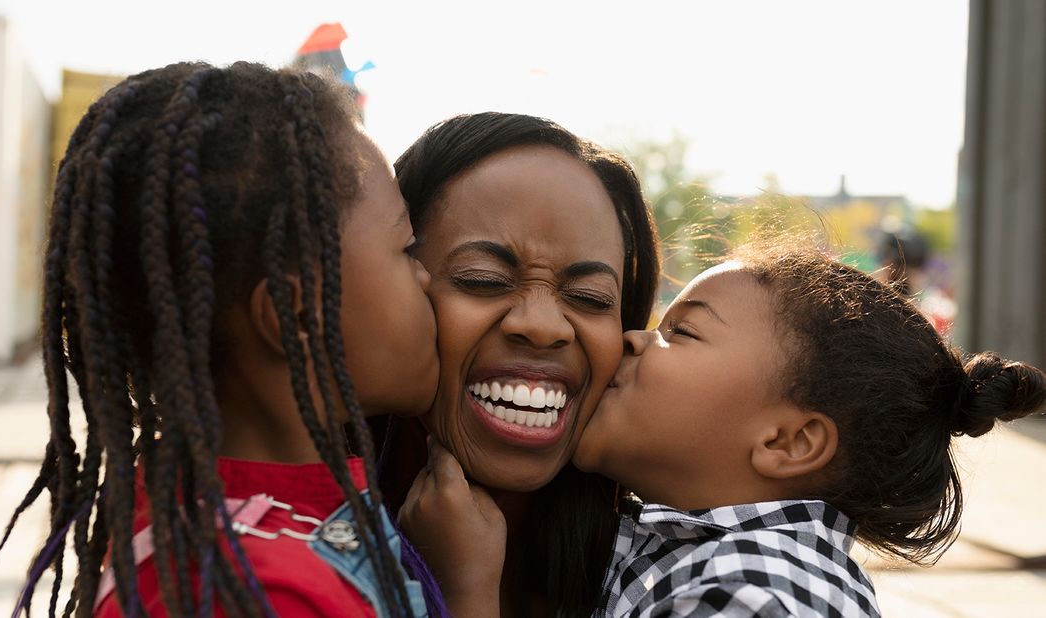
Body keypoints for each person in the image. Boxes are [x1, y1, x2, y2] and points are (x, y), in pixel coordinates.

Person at [0, 62, 443, 618]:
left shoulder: (221, 521)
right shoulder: (254, 595)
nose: (427, 278)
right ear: (296, 315)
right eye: (406, 249)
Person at [572, 241, 1046, 616]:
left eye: (682, 332)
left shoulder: (759, 591)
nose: (632, 338)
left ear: (788, 442)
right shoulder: (699, 550)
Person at [383, 112, 661, 616]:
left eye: (590, 297)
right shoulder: (292, 553)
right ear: (397, 288)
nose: (544, 325)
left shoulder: (683, 572)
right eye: (483, 279)